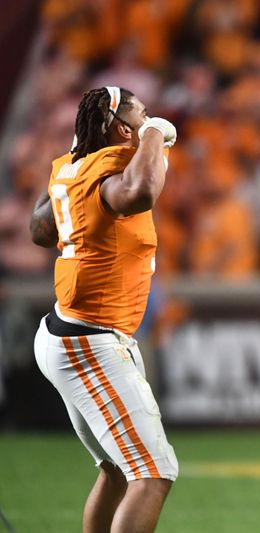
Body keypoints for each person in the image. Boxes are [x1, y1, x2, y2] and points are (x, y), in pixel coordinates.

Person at [29, 86, 179, 533]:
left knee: (117, 470)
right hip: (90, 341)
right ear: (121, 127)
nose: (149, 119)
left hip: (71, 329)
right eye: (141, 114)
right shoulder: (111, 169)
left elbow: (41, 228)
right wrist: (153, 132)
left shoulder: (72, 170)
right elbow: (142, 191)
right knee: (153, 473)